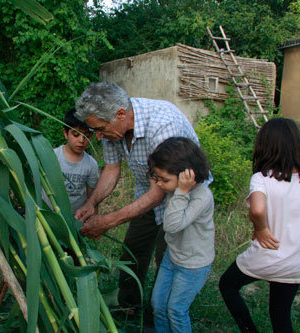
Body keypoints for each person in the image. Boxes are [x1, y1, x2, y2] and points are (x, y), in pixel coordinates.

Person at [74, 82, 203, 310]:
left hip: (181, 200)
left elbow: (160, 191)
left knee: (168, 258)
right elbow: (112, 169)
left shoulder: (163, 125)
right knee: (133, 250)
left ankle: (162, 312)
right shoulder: (112, 130)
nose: (97, 136)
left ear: (121, 114)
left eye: (100, 129)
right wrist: (92, 204)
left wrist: (108, 221)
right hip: (149, 193)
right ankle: (128, 304)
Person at [219, 118, 300, 333]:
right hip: (295, 263)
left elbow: (257, 209)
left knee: (227, 285)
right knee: (281, 316)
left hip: (265, 256)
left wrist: (261, 228)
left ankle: (249, 330)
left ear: (265, 145)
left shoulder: (262, 178)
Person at [147, 137, 214, 332]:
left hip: (193, 265)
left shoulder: (201, 196)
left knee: (176, 310)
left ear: (187, 175)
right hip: (173, 257)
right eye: (157, 178)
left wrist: (182, 193)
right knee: (158, 305)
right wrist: (178, 191)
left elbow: (173, 225)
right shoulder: (175, 191)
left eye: (164, 179)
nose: (159, 184)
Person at [55, 109, 99, 213]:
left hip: (77, 219)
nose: (81, 140)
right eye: (76, 134)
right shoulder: (52, 156)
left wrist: (93, 218)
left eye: (87, 136)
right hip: (51, 218)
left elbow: (92, 198)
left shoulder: (91, 165)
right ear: (65, 133)